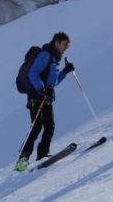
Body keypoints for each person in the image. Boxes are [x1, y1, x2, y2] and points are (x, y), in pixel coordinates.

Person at [14, 32, 75, 171]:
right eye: (65, 44)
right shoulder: (45, 55)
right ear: (57, 42)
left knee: (49, 125)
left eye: (67, 45)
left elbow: (52, 82)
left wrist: (65, 71)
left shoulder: (54, 59)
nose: (66, 47)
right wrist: (42, 89)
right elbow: (33, 73)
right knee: (36, 126)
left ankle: (42, 154)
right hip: (36, 95)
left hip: (45, 97)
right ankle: (22, 160)